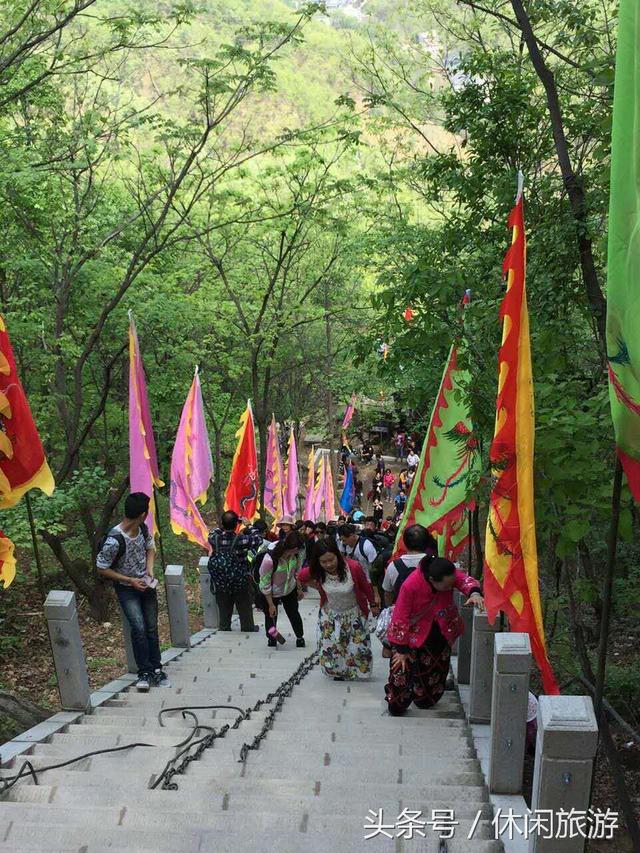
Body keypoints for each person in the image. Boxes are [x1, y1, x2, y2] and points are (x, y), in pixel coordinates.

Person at [385, 555, 484, 715]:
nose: (450, 587)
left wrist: (474, 593)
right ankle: (397, 703)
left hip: (441, 630)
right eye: (446, 586)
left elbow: (463, 580)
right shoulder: (411, 585)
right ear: (432, 579)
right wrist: (401, 650)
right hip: (411, 635)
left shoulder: (446, 573)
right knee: (401, 670)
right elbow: (400, 616)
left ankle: (425, 698)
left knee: (435, 671)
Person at [97, 492, 167, 692]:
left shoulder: (143, 529)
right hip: (127, 589)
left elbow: (150, 548)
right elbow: (101, 567)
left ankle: (156, 668)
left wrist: (149, 569)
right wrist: (129, 580)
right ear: (143, 514)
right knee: (139, 628)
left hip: (145, 584)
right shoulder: (115, 539)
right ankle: (144, 671)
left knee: (152, 628)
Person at [298, 539, 378, 680]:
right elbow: (300, 577)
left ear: (338, 555)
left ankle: (358, 673)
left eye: (331, 560)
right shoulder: (317, 570)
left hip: (354, 613)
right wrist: (314, 585)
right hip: (330, 615)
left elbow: (366, 587)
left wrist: (373, 604)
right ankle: (337, 672)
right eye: (323, 562)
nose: (328, 565)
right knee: (334, 647)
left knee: (357, 648)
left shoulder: (353, 567)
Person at [208, 510, 262, 633]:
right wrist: (248, 525)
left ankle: (225, 626)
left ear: (222, 523)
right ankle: (247, 626)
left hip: (222, 581)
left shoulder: (214, 538)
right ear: (236, 524)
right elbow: (258, 539)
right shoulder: (241, 540)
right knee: (244, 604)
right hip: (240, 579)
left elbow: (215, 531)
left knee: (223, 604)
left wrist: (226, 523)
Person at [259, 530, 306, 648]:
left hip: (289, 589)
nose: (300, 551)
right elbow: (265, 583)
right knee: (271, 615)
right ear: (294, 547)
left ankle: (299, 636)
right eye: (298, 549)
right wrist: (270, 604)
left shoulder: (295, 555)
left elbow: (297, 572)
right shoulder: (269, 560)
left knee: (294, 613)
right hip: (272, 593)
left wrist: (299, 589)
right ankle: (272, 638)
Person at [382, 524, 437, 607]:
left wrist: (391, 610)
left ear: (404, 542)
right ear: (427, 542)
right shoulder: (436, 564)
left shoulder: (393, 566)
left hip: (402, 615)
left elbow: (388, 593)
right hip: (430, 616)